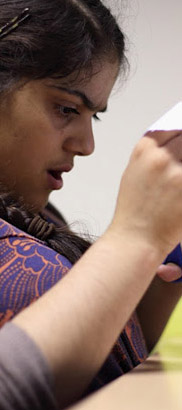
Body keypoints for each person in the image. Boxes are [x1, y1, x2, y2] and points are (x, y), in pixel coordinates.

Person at [0, 0, 182, 409]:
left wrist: (165, 261)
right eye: (67, 109)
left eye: (93, 116)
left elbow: (119, 359)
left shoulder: (41, 218)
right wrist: (135, 238)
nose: (86, 145)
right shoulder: (22, 262)